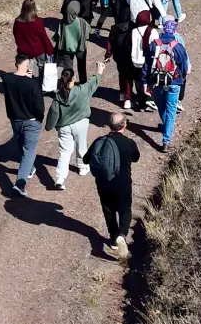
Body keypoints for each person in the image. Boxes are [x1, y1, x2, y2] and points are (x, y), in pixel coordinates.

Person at [84, 112, 140, 260]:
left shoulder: (99, 141)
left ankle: (113, 239)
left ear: (110, 125)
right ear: (125, 125)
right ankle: (122, 234)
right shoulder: (129, 143)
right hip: (122, 183)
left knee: (108, 210)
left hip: (103, 182)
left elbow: (85, 159)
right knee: (124, 209)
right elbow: (136, 158)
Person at [45, 60, 105, 191]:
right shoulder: (82, 90)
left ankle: (60, 179)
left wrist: (49, 126)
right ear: (74, 78)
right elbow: (93, 83)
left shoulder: (58, 96)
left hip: (64, 127)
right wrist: (99, 71)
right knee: (81, 146)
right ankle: (82, 168)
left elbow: (53, 113)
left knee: (64, 152)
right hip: (81, 123)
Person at [143, 20, 190, 151]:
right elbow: (184, 66)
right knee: (171, 110)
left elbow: (146, 66)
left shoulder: (154, 44)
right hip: (174, 82)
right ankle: (166, 140)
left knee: (161, 106)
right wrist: (182, 78)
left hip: (156, 81)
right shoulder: (178, 46)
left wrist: (145, 83)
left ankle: (166, 128)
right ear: (174, 31)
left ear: (163, 30)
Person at [2, 53, 44, 196]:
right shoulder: (32, 84)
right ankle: (20, 183)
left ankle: (29, 169)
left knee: (22, 146)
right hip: (31, 121)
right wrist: (40, 119)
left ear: (16, 63)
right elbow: (39, 106)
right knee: (29, 151)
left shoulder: (6, 79)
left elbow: (14, 79)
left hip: (15, 120)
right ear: (28, 66)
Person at [13, 0, 54, 77]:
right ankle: (42, 83)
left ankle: (27, 83)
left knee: (26, 68)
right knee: (42, 67)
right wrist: (50, 50)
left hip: (24, 50)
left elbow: (16, 35)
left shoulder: (17, 22)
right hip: (38, 49)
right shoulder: (37, 22)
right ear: (34, 8)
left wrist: (20, 46)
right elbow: (43, 37)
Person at [54, 0, 92, 84]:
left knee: (68, 69)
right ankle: (82, 82)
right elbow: (87, 36)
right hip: (80, 49)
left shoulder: (62, 22)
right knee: (81, 66)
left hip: (66, 50)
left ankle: (67, 84)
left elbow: (57, 36)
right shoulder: (82, 22)